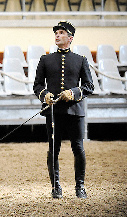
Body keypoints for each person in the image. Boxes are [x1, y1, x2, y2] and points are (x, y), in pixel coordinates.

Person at [33, 21, 94, 200]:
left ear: (70, 38)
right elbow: (37, 85)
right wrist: (44, 95)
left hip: (75, 111)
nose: (57, 35)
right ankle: (56, 186)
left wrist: (74, 92)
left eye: (61, 33)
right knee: (53, 149)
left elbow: (89, 86)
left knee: (78, 148)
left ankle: (80, 186)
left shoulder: (80, 60)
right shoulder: (45, 59)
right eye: (56, 33)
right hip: (53, 112)